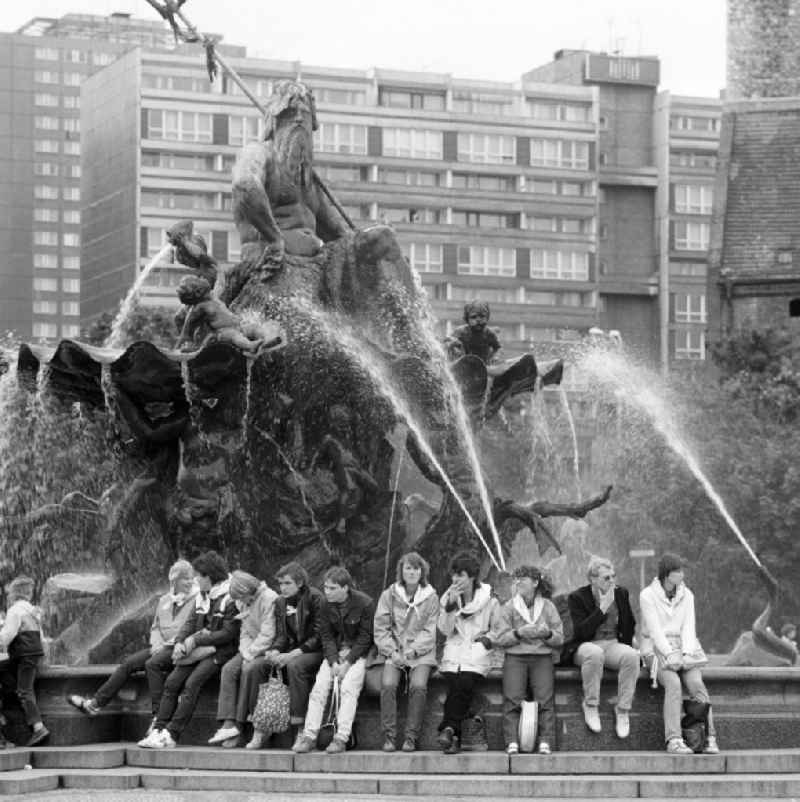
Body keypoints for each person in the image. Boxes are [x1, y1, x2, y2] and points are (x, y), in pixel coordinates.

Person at [68, 559, 197, 734]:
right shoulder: (164, 600)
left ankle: (158, 717)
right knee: (128, 663)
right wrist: (157, 643)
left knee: (153, 665)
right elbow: (156, 627)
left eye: (191, 578)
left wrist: (169, 643)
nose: (189, 582)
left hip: (179, 647)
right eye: (185, 579)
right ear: (174, 581)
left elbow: (191, 628)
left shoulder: (196, 600)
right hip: (160, 647)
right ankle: (95, 704)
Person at [138, 551, 239, 748]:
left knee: (192, 684)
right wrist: (179, 642)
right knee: (172, 682)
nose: (194, 581)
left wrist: (196, 641)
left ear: (208, 577)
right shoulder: (203, 595)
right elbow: (190, 622)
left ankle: (172, 734)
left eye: (197, 577)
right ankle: (158, 729)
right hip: (199, 648)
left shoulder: (230, 597)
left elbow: (228, 634)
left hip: (220, 652)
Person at [639, 553, 719, 755]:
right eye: (678, 571)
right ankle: (673, 739)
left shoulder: (688, 595)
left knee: (696, 684)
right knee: (673, 684)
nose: (682, 575)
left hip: (684, 650)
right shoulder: (647, 595)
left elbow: (689, 628)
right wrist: (669, 653)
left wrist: (685, 654)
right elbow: (655, 631)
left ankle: (710, 736)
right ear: (668, 575)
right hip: (656, 650)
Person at [291, 566, 374, 755]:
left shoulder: (365, 603)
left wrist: (348, 662)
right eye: (326, 587)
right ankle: (309, 736)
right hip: (334, 655)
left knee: (349, 688)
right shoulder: (325, 605)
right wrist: (334, 661)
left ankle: (341, 738)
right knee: (319, 688)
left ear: (345, 588)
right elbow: (326, 637)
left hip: (358, 655)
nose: (327, 592)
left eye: (332, 588)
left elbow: (366, 638)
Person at [250, 562, 324, 749]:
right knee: (257, 666)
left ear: (299, 583)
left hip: (314, 652)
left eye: (287, 583)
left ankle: (300, 729)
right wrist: (275, 650)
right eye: (280, 584)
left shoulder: (316, 598)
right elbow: (282, 635)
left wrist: (292, 654)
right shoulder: (280, 602)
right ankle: (260, 727)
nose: (282, 588)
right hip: (291, 651)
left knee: (294, 666)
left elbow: (320, 635)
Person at [437, 552, 502, 755]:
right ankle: (452, 734)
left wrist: (485, 640)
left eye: (461, 575)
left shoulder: (490, 600)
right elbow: (445, 630)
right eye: (454, 575)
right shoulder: (448, 598)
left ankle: (449, 729)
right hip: (454, 651)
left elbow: (499, 629)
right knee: (456, 682)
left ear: (472, 576)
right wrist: (449, 608)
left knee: (463, 681)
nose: (455, 579)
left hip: (477, 650)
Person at [373, 552, 439, 753]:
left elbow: (431, 630)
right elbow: (381, 627)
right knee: (388, 684)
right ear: (401, 571)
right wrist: (392, 651)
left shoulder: (431, 596)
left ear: (422, 572)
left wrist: (413, 651)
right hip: (394, 652)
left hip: (421, 654)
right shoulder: (389, 595)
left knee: (418, 686)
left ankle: (411, 737)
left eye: (416, 568)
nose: (412, 572)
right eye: (408, 568)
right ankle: (389, 737)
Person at [566, 556, 638, 739]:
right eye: (607, 578)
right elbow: (581, 632)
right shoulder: (577, 597)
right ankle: (590, 705)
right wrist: (602, 609)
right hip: (585, 646)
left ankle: (622, 710)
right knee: (595, 653)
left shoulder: (621, 593)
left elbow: (629, 626)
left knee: (631, 656)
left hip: (612, 644)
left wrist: (631, 641)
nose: (612, 580)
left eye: (613, 576)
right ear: (593, 579)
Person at [495, 565, 564, 755]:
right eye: (516, 579)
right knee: (512, 699)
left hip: (542, 657)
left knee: (545, 700)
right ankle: (511, 741)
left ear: (535, 583)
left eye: (522, 579)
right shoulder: (509, 606)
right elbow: (500, 638)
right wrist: (519, 633)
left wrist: (547, 633)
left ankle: (546, 741)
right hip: (515, 657)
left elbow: (560, 637)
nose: (517, 582)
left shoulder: (548, 607)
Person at [208, 571, 278, 748]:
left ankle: (240, 726)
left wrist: (251, 654)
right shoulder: (241, 601)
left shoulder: (269, 598)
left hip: (268, 649)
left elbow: (269, 634)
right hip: (250, 649)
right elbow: (245, 632)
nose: (242, 603)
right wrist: (245, 653)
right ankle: (228, 723)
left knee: (249, 669)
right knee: (229, 669)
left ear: (250, 591)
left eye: (243, 598)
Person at [0, 577, 47, 746]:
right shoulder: (32, 610)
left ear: (13, 593)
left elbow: (7, 636)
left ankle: (38, 727)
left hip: (23, 655)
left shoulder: (14, 611)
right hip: (33, 654)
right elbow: (41, 637)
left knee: (24, 691)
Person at [175, 275, 276, 355]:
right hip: (222, 332)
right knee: (234, 336)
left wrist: (219, 272)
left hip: (238, 326)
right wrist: (182, 344)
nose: (209, 292)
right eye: (205, 291)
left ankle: (265, 341)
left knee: (254, 328)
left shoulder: (213, 297)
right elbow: (187, 327)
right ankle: (250, 346)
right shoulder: (199, 307)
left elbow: (220, 285)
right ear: (197, 295)